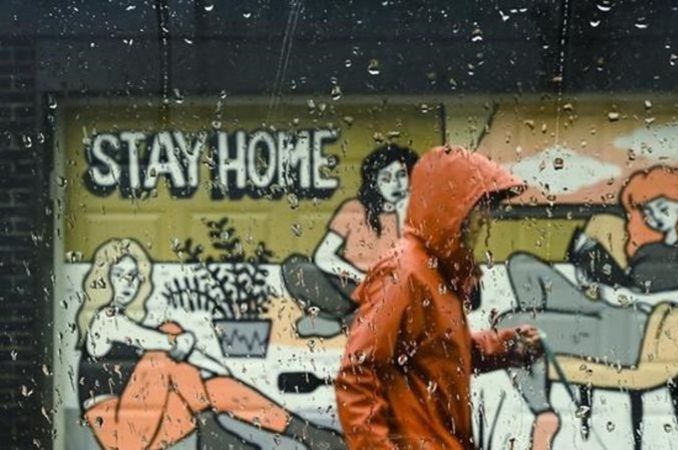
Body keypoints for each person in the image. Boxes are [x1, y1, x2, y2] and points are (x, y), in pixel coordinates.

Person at [335, 146, 543, 449]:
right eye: (478, 206)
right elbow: (357, 375)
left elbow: (440, 354)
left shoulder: (436, 270)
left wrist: (508, 346)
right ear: (451, 207)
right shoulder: (405, 272)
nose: (486, 220)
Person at [498, 165, 678, 450]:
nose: (654, 217)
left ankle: (544, 413)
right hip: (610, 312)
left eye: (663, 208)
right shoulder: (650, 248)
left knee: (510, 326)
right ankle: (541, 341)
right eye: (648, 211)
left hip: (638, 334)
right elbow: (630, 286)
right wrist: (596, 276)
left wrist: (633, 297)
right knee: (522, 265)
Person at [77, 238, 346, 450]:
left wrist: (221, 373)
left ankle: (307, 434)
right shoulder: (104, 321)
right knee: (167, 338)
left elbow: (183, 354)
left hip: (147, 426)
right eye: (119, 274)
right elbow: (158, 343)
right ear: (104, 276)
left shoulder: (134, 325)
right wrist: (175, 339)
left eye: (133, 276)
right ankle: (212, 431)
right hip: (117, 432)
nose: (128, 283)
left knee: (216, 388)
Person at [282, 144, 419, 335]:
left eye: (401, 175)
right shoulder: (354, 208)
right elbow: (323, 255)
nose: (395, 184)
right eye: (386, 178)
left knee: (405, 294)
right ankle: (353, 319)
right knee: (295, 266)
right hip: (350, 286)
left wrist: (402, 213)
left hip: (389, 289)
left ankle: (339, 324)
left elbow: (411, 261)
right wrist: (360, 278)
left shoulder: (414, 213)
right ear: (374, 181)